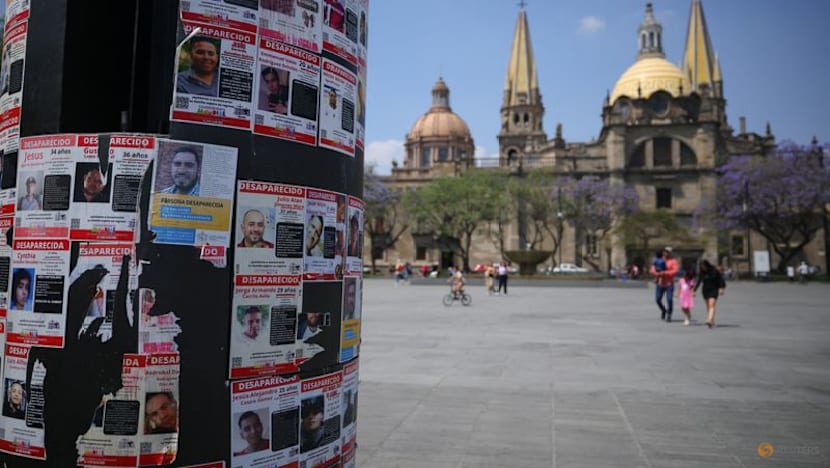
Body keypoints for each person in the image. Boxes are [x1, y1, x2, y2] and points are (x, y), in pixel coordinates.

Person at [694, 259, 726, 328]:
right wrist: (694, 290)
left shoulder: (715, 271)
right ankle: (712, 319)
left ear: (707, 265)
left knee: (711, 304)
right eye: (701, 266)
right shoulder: (702, 273)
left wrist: (721, 288)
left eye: (703, 266)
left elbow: (720, 280)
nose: (703, 267)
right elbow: (698, 282)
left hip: (714, 290)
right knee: (708, 306)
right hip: (705, 291)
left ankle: (709, 320)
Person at [650, 246, 678, 322]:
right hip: (660, 283)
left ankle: (669, 314)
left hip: (669, 283)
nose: (665, 253)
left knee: (669, 299)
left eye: (667, 252)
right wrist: (657, 274)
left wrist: (665, 273)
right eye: (664, 252)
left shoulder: (673, 261)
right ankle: (663, 310)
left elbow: (675, 271)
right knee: (658, 299)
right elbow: (652, 269)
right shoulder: (659, 260)